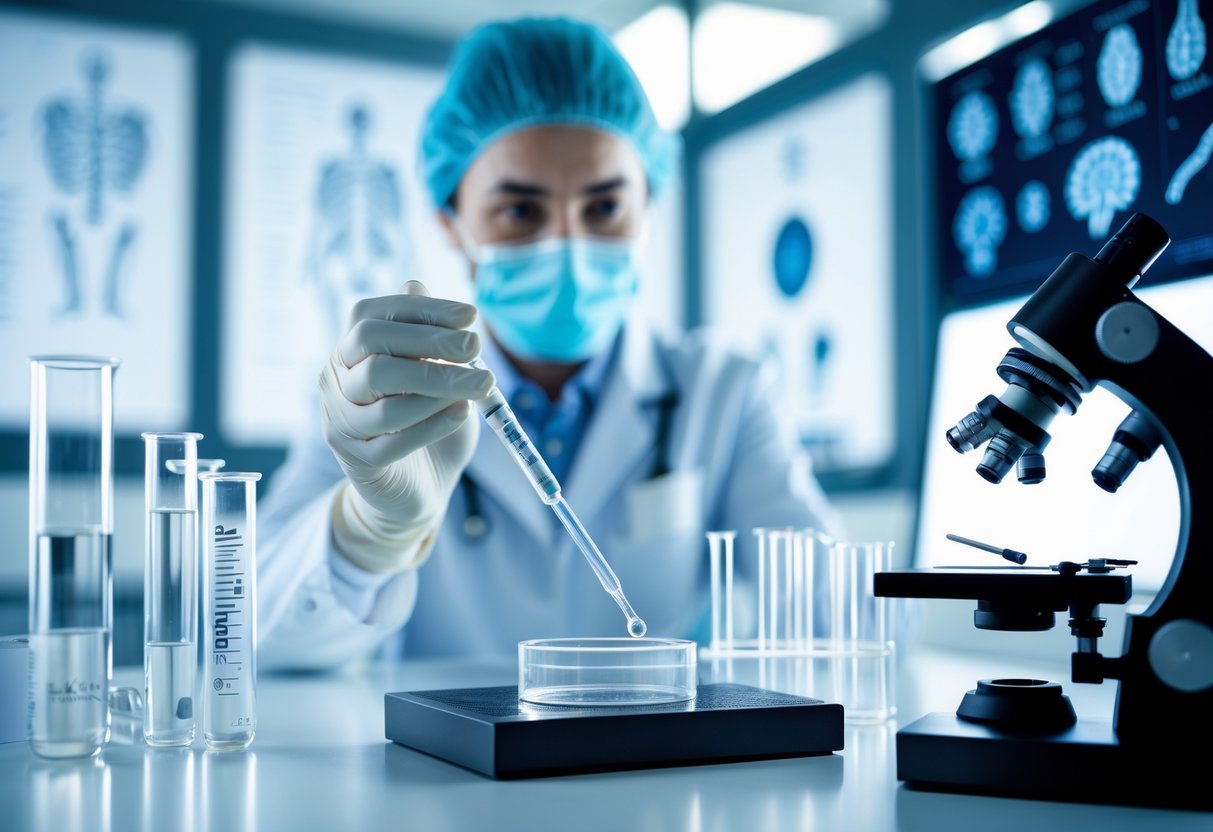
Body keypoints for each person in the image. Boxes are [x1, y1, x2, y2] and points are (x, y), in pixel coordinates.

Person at [255, 16, 846, 670]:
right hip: (445, 767)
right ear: (450, 224)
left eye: (603, 208)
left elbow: (852, 626)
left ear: (649, 204)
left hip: (657, 762)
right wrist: (369, 530)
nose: (566, 243)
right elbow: (256, 635)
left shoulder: (724, 389)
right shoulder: (378, 395)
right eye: (520, 211)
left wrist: (816, 583)